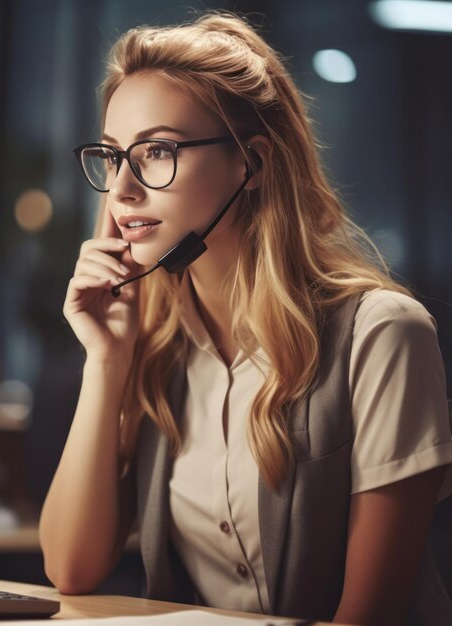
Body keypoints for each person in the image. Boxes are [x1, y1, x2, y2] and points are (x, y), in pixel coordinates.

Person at [39, 11, 452, 626]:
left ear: (252, 165)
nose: (122, 189)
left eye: (156, 152)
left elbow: (372, 614)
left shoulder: (383, 334)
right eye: (112, 156)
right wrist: (107, 360)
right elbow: (71, 567)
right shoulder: (156, 346)